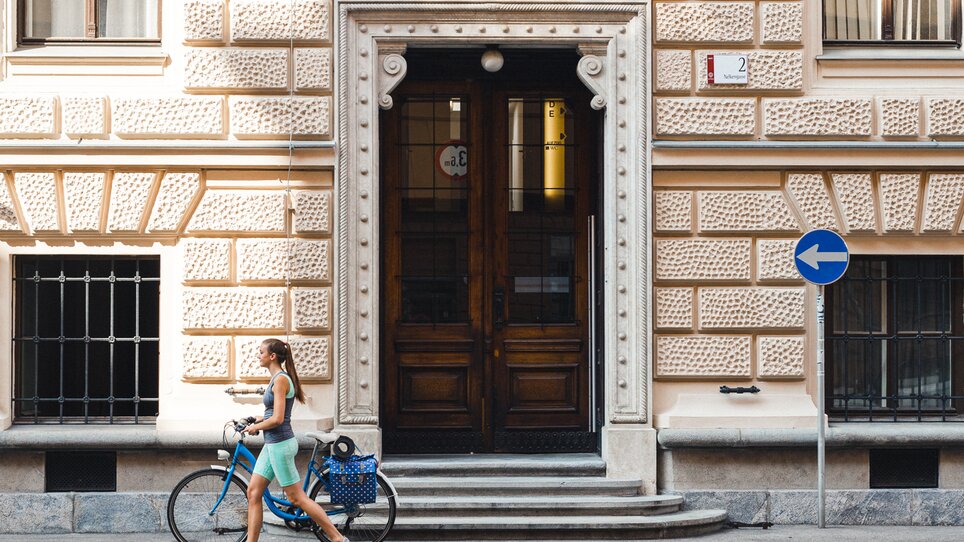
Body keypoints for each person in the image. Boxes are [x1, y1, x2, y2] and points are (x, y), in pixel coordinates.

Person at [241, 338, 348, 542]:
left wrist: (256, 427)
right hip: (272, 444)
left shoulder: (281, 379)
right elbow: (275, 413)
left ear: (272, 356)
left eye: (260, 352)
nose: (258, 355)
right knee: (253, 493)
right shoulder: (277, 379)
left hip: (280, 445)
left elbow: (279, 419)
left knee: (296, 497)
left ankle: (337, 538)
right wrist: (257, 418)